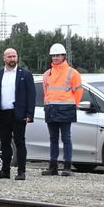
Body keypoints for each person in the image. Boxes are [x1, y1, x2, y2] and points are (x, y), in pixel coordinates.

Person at [0, 48, 36, 180]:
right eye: (9, 57)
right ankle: (5, 171)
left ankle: (21, 171)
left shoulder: (25, 74)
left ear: (17, 58)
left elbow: (31, 96)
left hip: (18, 114)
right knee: (5, 142)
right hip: (2, 114)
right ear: (4, 58)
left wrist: (30, 114)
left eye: (14, 56)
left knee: (19, 142)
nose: (12, 59)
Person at [41, 43, 83, 177]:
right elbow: (46, 92)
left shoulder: (72, 73)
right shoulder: (47, 74)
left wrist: (72, 105)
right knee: (53, 139)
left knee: (66, 138)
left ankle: (67, 167)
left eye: (58, 55)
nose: (55, 58)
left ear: (64, 56)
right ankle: (53, 167)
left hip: (66, 109)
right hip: (51, 109)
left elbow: (79, 91)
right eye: (53, 55)